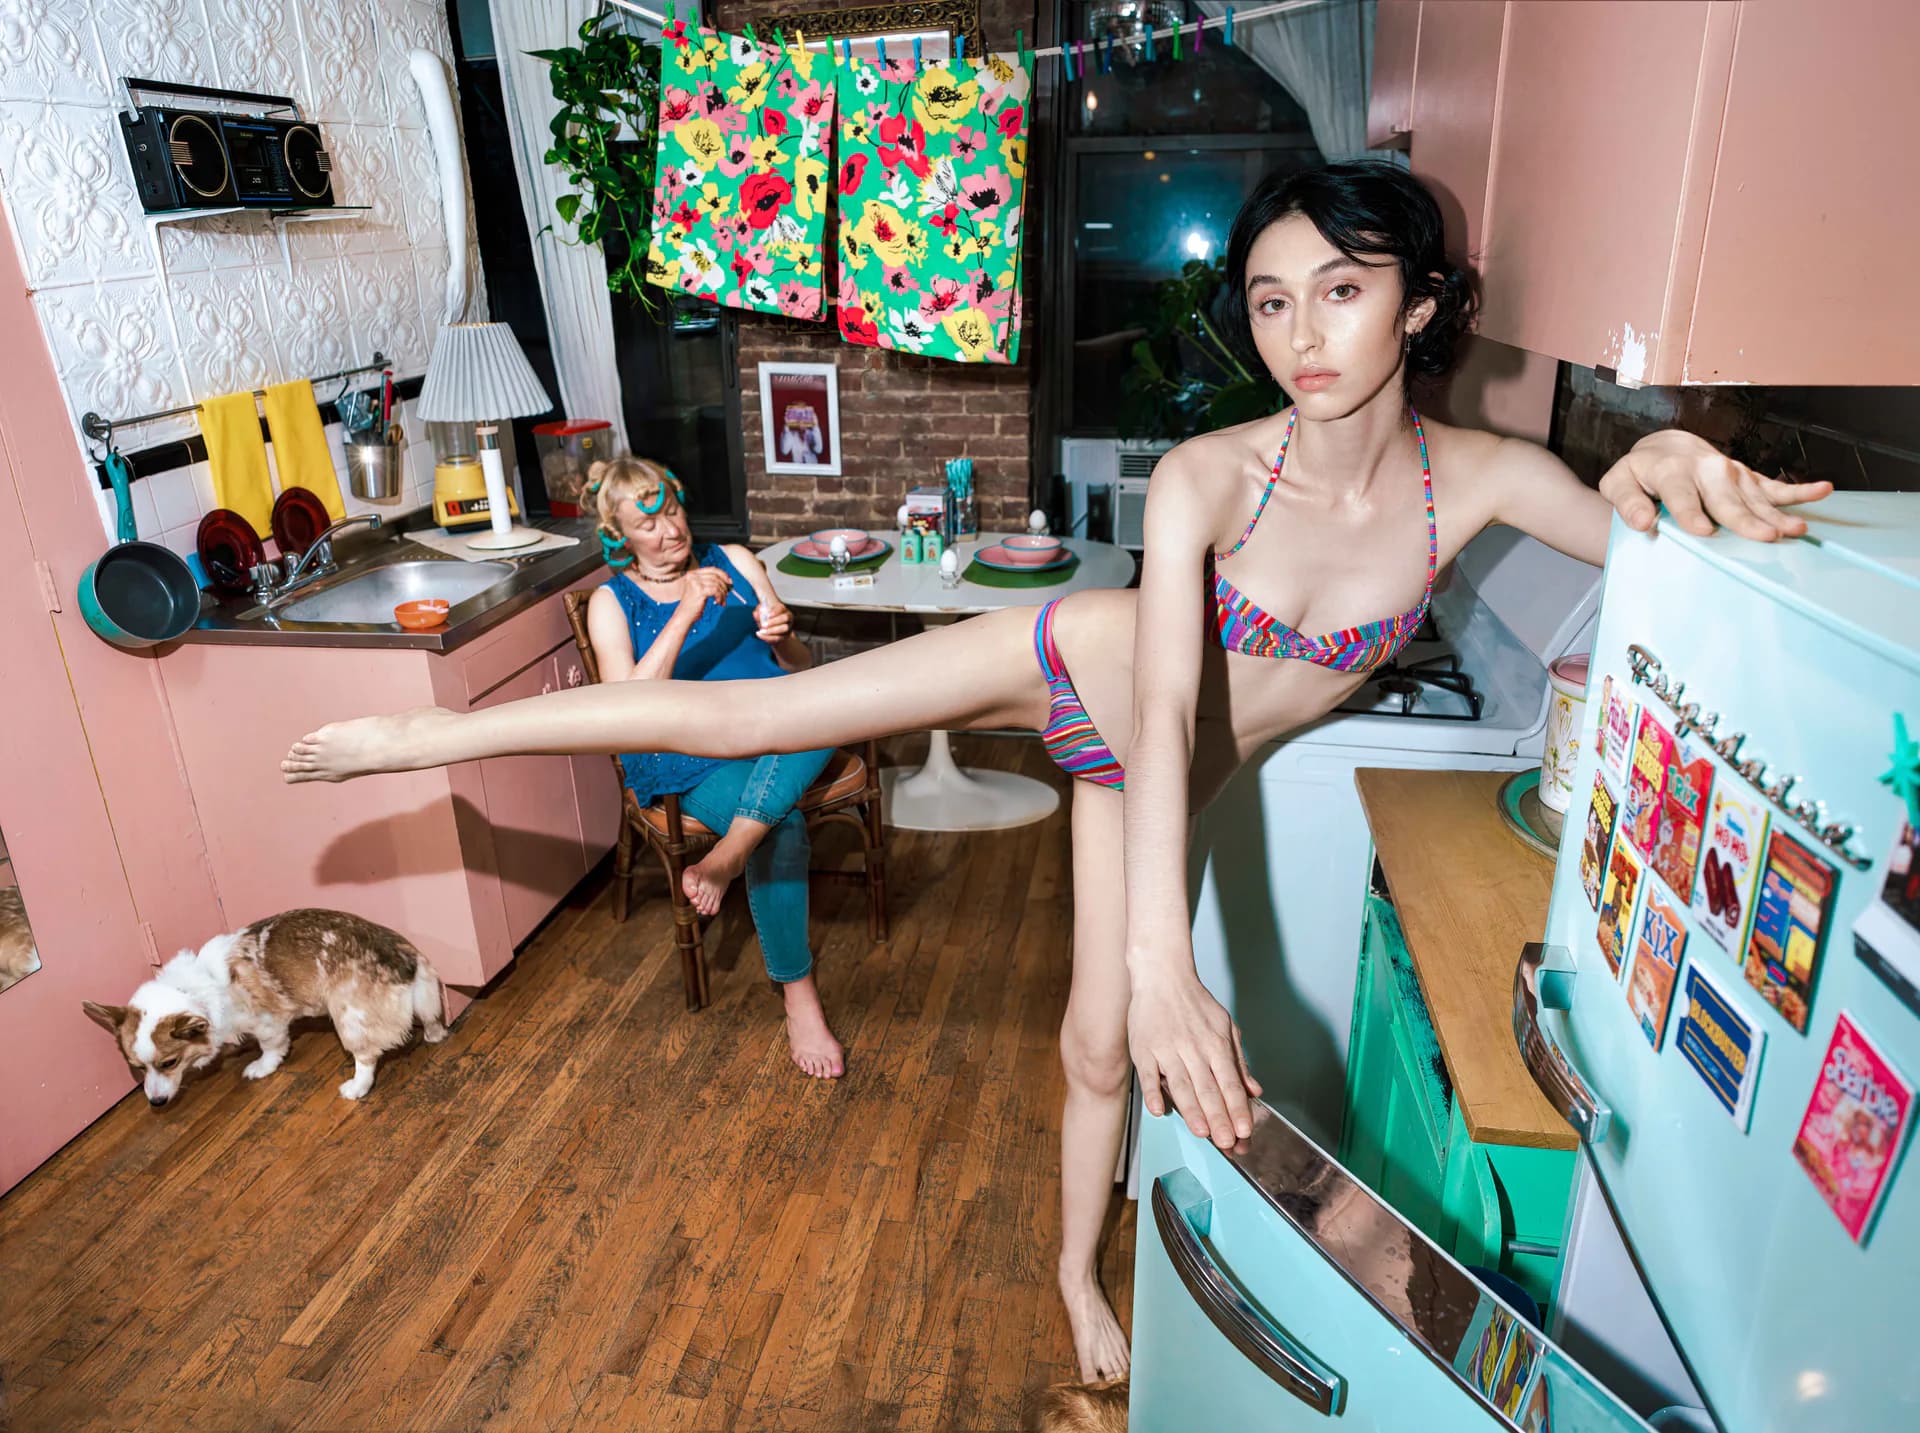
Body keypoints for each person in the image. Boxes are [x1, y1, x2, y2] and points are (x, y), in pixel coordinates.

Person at [282, 163, 1830, 1380]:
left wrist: (1657, 469)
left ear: (1423, 306)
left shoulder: (1484, 479)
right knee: (757, 723)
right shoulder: (1213, 474)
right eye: (1273, 301)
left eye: (1342, 293)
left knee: (1101, 1048)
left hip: (1158, 770)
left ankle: (1078, 1270)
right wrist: (1169, 953)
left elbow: (1643, 532)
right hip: (1092, 669)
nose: (1299, 335)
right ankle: (430, 736)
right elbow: (1161, 707)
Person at [584, 456, 845, 1079]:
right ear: (619, 538)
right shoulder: (611, 601)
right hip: (688, 756)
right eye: (649, 525)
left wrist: (782, 637)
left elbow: (797, 667)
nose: (671, 532)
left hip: (774, 726)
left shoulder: (734, 558)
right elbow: (623, 711)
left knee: (830, 709)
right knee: (782, 826)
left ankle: (727, 856)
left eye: (672, 511)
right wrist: (684, 612)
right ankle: (799, 998)